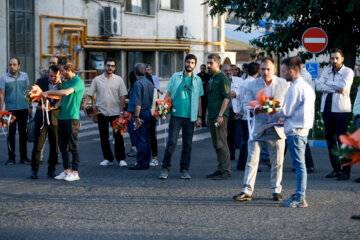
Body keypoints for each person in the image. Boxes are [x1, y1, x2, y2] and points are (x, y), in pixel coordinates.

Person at [233, 57, 288, 201]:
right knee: (251, 160)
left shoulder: (283, 84)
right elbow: (245, 104)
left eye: (268, 69)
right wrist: (254, 108)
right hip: (257, 128)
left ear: (274, 70)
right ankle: (247, 190)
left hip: (276, 127)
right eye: (262, 69)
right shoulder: (252, 84)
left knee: (277, 161)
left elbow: (288, 105)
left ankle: (276, 190)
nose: (265, 72)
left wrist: (278, 110)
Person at [159, 54, 204, 180]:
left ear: (195, 65)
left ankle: (184, 169)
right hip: (175, 115)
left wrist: (200, 116)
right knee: (171, 143)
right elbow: (168, 93)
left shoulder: (197, 80)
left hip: (190, 117)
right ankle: (165, 168)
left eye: (192, 63)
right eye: (188, 62)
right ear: (184, 63)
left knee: (187, 145)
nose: (190, 65)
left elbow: (200, 98)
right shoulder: (176, 77)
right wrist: (163, 109)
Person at [280, 56, 315, 208]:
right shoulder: (306, 86)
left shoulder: (294, 88)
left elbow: (286, 111)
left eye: (284, 72)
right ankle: (299, 195)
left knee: (300, 166)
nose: (282, 75)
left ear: (292, 72)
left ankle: (300, 198)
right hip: (303, 129)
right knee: (300, 165)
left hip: (295, 130)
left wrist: (268, 110)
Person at [42, 61, 85, 181]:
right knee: (63, 146)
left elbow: (66, 92)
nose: (61, 73)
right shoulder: (65, 82)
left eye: (63, 71)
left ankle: (75, 172)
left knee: (73, 146)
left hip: (72, 118)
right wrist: (50, 107)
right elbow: (61, 100)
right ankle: (67, 171)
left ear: (68, 69)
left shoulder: (78, 82)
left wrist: (48, 92)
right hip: (61, 117)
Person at [315, 48, 354, 181]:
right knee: (330, 141)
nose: (334, 61)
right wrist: (334, 87)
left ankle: (346, 171)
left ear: (342, 59)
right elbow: (318, 87)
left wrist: (327, 83)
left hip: (341, 111)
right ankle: (336, 168)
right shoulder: (326, 71)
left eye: (337, 58)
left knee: (342, 141)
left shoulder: (348, 72)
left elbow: (343, 87)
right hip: (327, 110)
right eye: (332, 58)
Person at [82, 58, 128, 168]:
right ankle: (108, 158)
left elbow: (123, 97)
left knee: (118, 136)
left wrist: (122, 112)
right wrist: (84, 104)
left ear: (115, 67)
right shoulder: (97, 80)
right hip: (101, 112)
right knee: (103, 136)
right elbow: (90, 94)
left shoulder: (119, 80)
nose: (110, 68)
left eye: (112, 66)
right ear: (105, 66)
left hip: (116, 112)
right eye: (108, 65)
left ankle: (121, 159)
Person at [30, 65, 62, 179]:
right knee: (38, 145)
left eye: (54, 76)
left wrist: (55, 107)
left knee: (54, 146)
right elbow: (31, 96)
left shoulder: (63, 85)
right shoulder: (40, 82)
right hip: (41, 117)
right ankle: (34, 169)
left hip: (55, 118)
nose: (52, 78)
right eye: (50, 75)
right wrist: (35, 105)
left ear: (59, 75)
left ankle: (51, 170)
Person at [0, 57, 31, 165]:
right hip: (9, 110)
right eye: (10, 64)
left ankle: (24, 157)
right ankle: (11, 157)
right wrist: (1, 110)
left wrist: (30, 106)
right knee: (10, 134)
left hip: (23, 109)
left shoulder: (25, 76)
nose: (12, 66)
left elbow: (28, 92)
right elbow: (2, 94)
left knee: (23, 134)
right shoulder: (3, 78)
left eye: (14, 64)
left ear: (19, 66)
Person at [205, 53, 231, 180]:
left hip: (220, 116)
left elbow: (227, 97)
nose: (208, 65)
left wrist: (221, 115)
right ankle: (220, 168)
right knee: (216, 144)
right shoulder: (212, 78)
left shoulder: (222, 77)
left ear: (218, 64)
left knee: (222, 143)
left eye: (211, 63)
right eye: (208, 63)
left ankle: (226, 171)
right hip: (212, 115)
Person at [127, 63, 154, 170]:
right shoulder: (149, 83)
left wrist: (137, 117)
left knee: (140, 138)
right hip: (147, 112)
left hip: (140, 113)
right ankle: (146, 161)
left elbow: (137, 102)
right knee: (146, 138)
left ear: (135, 72)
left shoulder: (138, 84)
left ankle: (141, 162)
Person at [235, 62, 259, 170]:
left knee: (245, 139)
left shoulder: (243, 83)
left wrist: (239, 112)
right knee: (252, 140)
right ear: (258, 71)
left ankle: (241, 163)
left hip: (244, 114)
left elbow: (239, 99)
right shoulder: (256, 84)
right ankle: (249, 163)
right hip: (252, 115)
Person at [222, 64, 243, 161]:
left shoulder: (239, 80)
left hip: (237, 111)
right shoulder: (220, 80)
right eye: (226, 70)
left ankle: (242, 154)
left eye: (230, 70)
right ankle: (231, 153)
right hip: (226, 111)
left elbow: (243, 93)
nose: (228, 72)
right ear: (222, 71)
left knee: (238, 134)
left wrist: (236, 94)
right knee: (229, 134)